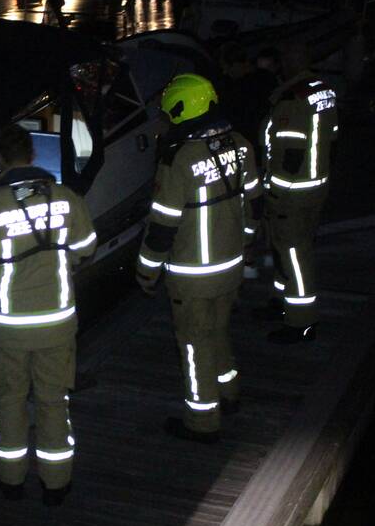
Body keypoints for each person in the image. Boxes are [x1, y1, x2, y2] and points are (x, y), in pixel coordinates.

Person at [0, 125, 97, 506]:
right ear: (32, 155)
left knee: (10, 401)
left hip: (8, 327)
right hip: (57, 322)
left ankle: (10, 480)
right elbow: (86, 247)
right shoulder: (66, 197)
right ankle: (56, 484)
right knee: (53, 402)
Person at [136, 73, 260, 443]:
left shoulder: (178, 160)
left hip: (192, 275)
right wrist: (247, 243)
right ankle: (230, 392)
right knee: (218, 330)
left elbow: (162, 225)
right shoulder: (241, 144)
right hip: (231, 264)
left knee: (193, 343)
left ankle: (202, 421)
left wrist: (146, 270)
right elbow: (254, 202)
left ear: (180, 108)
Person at [261, 43, 339, 344]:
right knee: (289, 247)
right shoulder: (324, 91)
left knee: (294, 254)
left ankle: (301, 321)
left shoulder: (292, 99)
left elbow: (289, 152)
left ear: (289, 64)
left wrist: (274, 191)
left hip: (292, 191)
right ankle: (282, 302)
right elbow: (332, 141)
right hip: (317, 183)